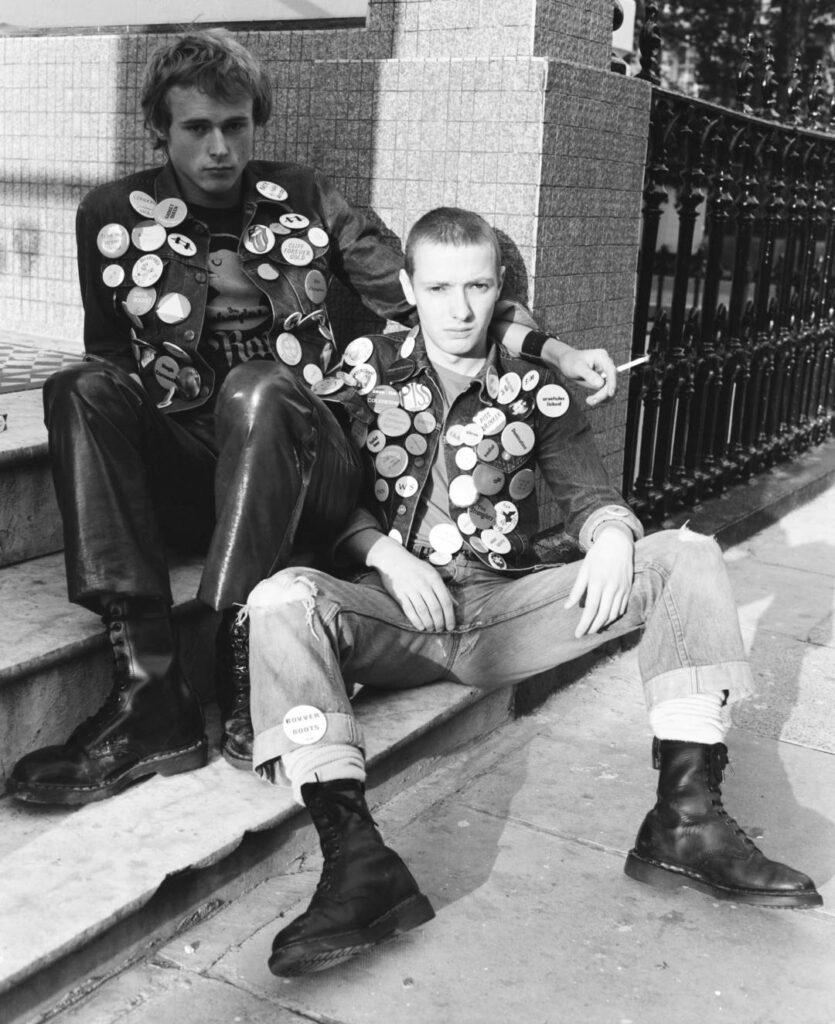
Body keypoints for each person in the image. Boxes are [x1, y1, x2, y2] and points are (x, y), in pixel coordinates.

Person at [7, 31, 616, 806]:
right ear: (158, 131)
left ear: (256, 124)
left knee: (259, 387)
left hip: (307, 469)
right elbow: (111, 358)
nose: (221, 148)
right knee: (79, 388)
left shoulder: (305, 197)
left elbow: (424, 296)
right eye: (197, 129)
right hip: (193, 469)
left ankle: (228, 650)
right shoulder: (108, 214)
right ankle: (150, 693)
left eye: (236, 126)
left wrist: (554, 349)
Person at [244, 207, 822, 978]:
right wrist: (383, 553)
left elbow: (588, 494)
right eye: (440, 286)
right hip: (392, 614)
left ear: (497, 290)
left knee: (683, 553)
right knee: (283, 598)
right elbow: (323, 494)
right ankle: (357, 867)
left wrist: (612, 534)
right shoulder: (364, 367)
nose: (458, 308)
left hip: (501, 615)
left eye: (476, 286)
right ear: (407, 287)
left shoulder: (534, 387)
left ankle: (684, 820)